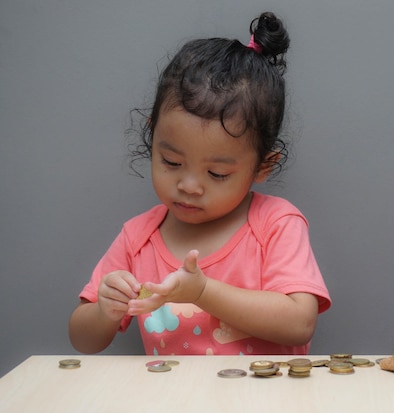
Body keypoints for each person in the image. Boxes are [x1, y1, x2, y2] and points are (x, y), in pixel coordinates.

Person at [69, 12, 331, 356]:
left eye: (217, 174)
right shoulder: (138, 238)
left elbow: (299, 323)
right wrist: (105, 310)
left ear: (262, 166)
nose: (189, 185)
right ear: (153, 137)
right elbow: (82, 340)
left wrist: (202, 292)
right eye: (172, 163)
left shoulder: (275, 224)